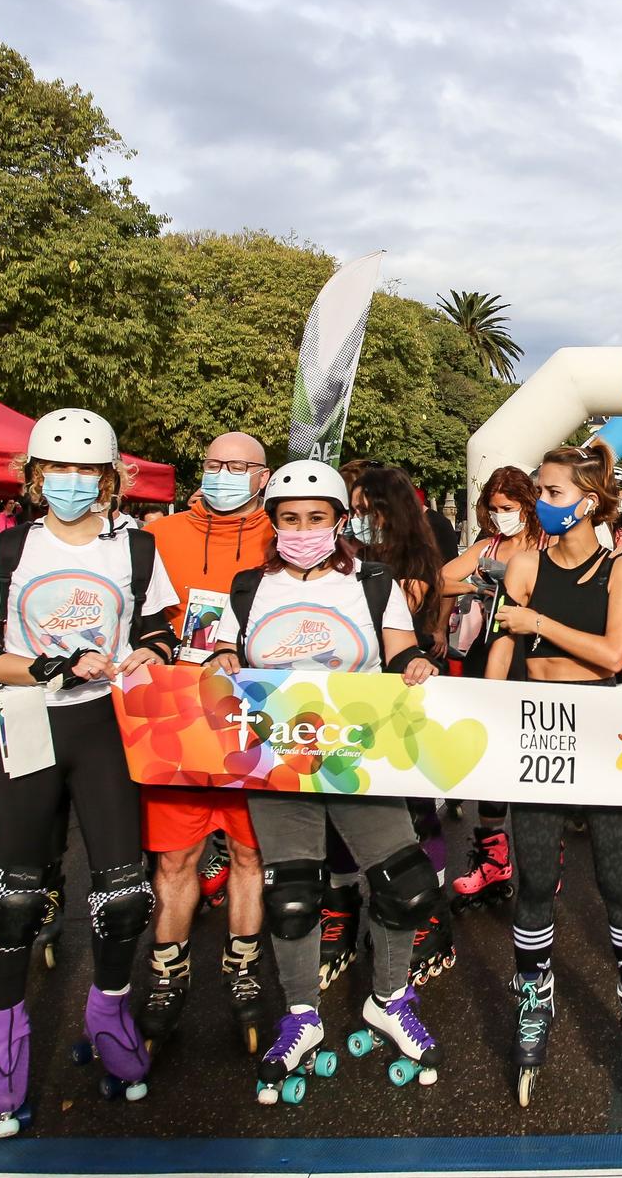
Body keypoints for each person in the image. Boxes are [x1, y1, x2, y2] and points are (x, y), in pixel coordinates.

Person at [0, 409, 180, 1137]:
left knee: (123, 894)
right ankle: (5, 1040)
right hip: (25, 716)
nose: (73, 483)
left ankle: (110, 1011)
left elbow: (160, 627)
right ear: (34, 476)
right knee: (16, 893)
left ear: (110, 480)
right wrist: (50, 663)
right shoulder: (9, 547)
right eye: (58, 470)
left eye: (88, 472)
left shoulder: (137, 550)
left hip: (106, 724)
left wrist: (151, 650)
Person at [209, 460, 443, 1103]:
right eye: (290, 518)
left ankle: (390, 999)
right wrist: (222, 656)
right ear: (274, 522)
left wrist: (417, 660)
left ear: (340, 520)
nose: (304, 529)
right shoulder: (248, 586)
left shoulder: (371, 582)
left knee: (404, 881)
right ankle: (303, 1016)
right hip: (275, 754)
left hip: (357, 749)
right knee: (292, 894)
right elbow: (223, 655)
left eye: (317, 518)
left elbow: (400, 646)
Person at [483, 442, 622, 1110]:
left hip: (603, 725)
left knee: (617, 874)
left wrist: (538, 621)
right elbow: (503, 638)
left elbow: (615, 652)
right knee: (532, 872)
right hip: (537, 724)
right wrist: (489, 704)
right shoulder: (524, 562)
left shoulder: (621, 568)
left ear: (588, 501)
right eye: (541, 491)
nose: (543, 503)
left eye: (553, 493)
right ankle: (534, 991)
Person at [138, 432, 273, 1054]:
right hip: (171, 712)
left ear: (263, 475)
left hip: (250, 714)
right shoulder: (159, 536)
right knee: (174, 858)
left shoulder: (283, 534)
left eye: (238, 467)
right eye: (215, 464)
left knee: (250, 855)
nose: (224, 474)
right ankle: (168, 973)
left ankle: (243, 967)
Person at [354, 464, 458, 986]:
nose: (356, 522)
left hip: (404, 693)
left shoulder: (411, 560)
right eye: (351, 511)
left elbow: (391, 622)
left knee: (418, 813)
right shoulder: (347, 557)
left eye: (364, 512)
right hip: (351, 704)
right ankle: (356, 915)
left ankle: (430, 916)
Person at [442, 467, 545, 911]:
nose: (502, 515)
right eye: (496, 508)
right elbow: (441, 576)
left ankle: (545, 854)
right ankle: (492, 855)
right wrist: (477, 582)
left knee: (538, 749)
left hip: (538, 656)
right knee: (493, 751)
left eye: (510, 508)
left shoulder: (549, 546)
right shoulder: (489, 545)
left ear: (528, 505)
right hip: (488, 654)